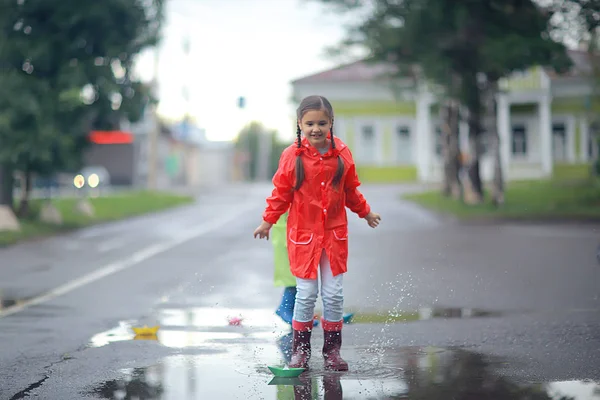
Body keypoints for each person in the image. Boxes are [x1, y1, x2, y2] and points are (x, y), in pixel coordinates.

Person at [254, 95, 381, 371]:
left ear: (331, 123)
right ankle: (300, 351)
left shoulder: (342, 154)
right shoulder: (292, 156)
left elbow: (350, 191)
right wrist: (267, 221)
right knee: (307, 293)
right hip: (304, 237)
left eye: (322, 123)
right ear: (300, 124)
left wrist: (366, 212)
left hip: (333, 237)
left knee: (334, 294)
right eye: (309, 123)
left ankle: (332, 352)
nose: (316, 129)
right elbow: (280, 194)